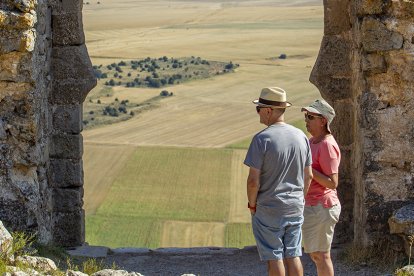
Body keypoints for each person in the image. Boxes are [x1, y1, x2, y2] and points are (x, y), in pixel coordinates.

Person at [244, 87, 313, 276]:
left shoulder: (261, 139)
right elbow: (309, 176)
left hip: (269, 208)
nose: (257, 112)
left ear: (268, 110)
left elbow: (253, 181)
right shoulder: (301, 137)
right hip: (295, 205)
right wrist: (300, 199)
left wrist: (252, 205)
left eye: (258, 108)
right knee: (294, 254)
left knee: (274, 256)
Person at [301, 99, 341, 276]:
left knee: (321, 255)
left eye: (310, 116)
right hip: (313, 205)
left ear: (323, 120)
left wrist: (309, 168)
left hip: (322, 206)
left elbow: (332, 183)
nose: (306, 120)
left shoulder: (326, 145)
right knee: (315, 254)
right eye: (305, 116)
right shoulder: (312, 141)